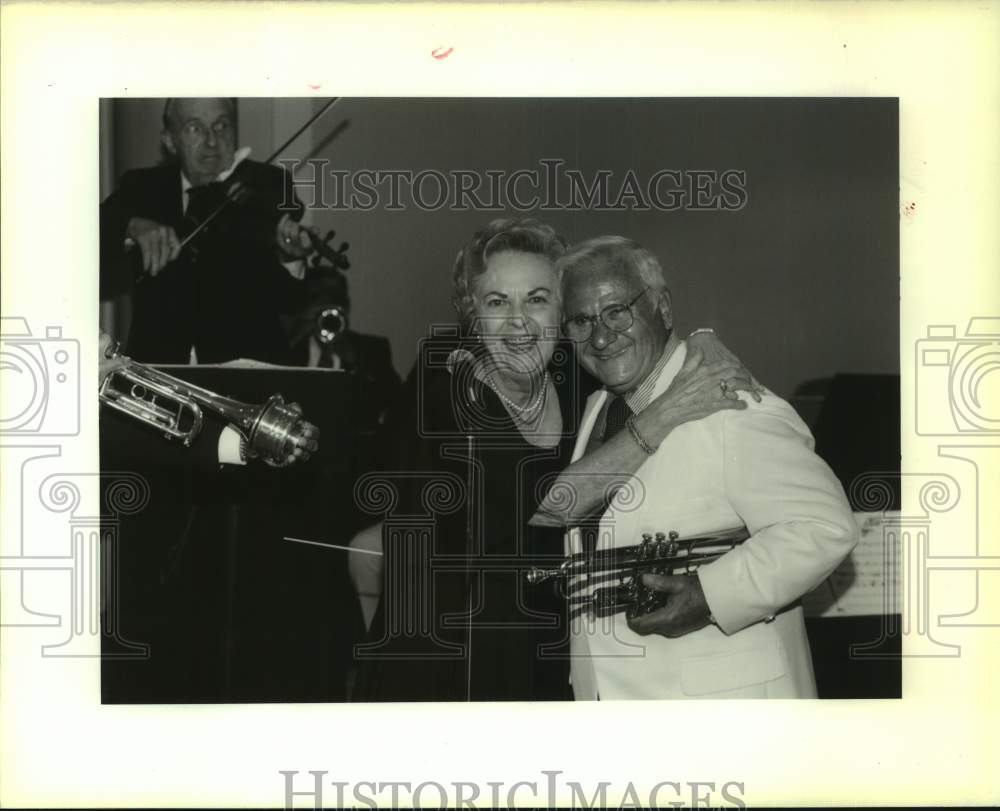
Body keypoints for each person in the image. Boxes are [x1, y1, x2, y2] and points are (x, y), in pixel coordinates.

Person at [351, 219, 757, 702]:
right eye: (497, 302)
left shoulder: (574, 377)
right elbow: (550, 505)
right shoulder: (445, 385)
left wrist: (699, 339)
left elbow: (643, 339)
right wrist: (666, 414)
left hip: (552, 644)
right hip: (450, 656)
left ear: (563, 312)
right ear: (471, 314)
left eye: (537, 299)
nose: (518, 321)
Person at [541, 236, 859, 700]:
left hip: (726, 711)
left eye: (617, 311)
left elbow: (823, 526)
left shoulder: (732, 404)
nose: (602, 336)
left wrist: (710, 597)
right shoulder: (595, 409)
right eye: (582, 321)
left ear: (663, 308)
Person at [100, 98, 317, 364]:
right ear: (170, 141)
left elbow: (291, 304)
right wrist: (131, 225)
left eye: (221, 126)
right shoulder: (142, 187)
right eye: (195, 128)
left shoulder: (268, 185)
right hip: (158, 371)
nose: (212, 141)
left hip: (243, 375)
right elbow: (87, 235)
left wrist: (291, 259)